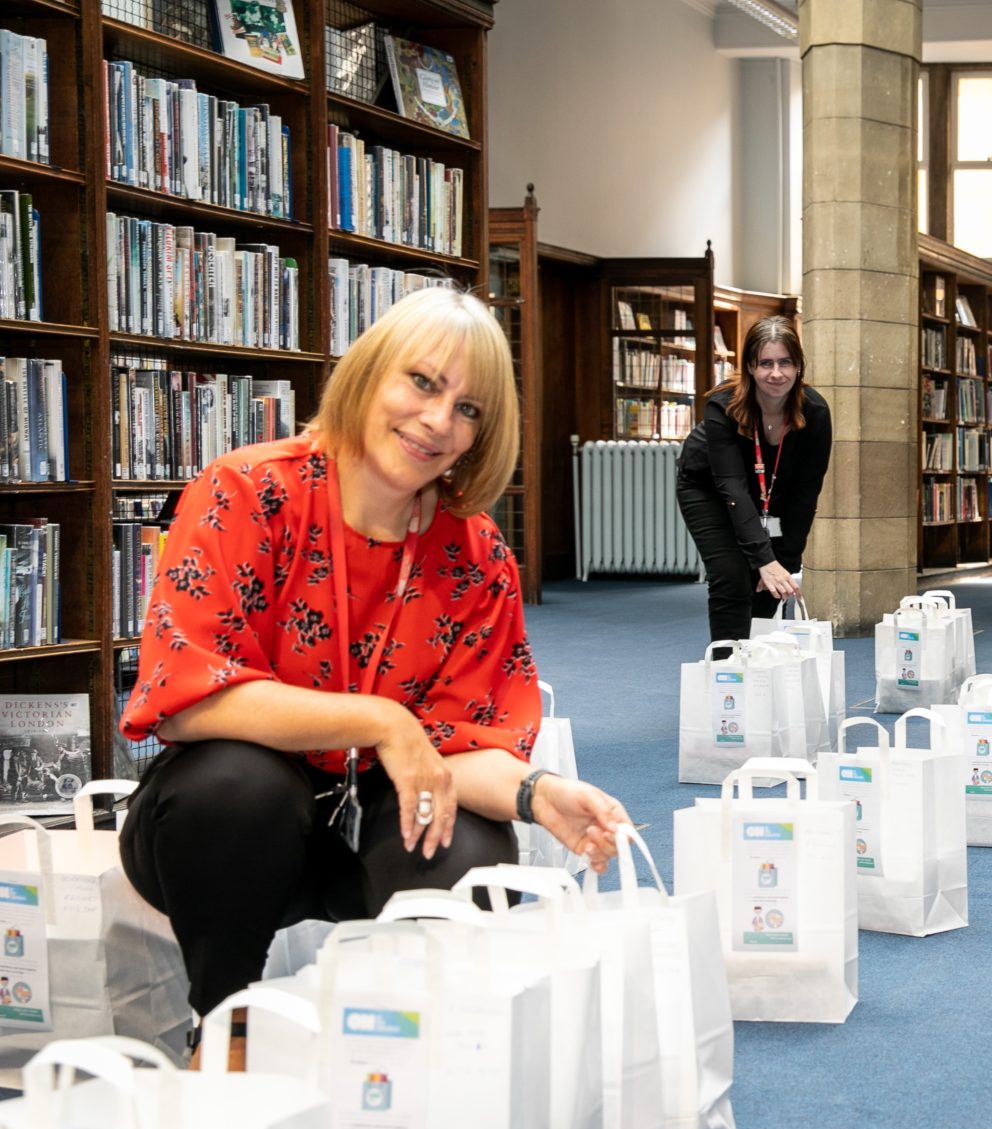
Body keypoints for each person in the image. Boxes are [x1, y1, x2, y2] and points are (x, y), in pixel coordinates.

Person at [117, 287, 632, 1026]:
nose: (438, 421)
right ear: (369, 372)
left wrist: (538, 792)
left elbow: (465, 745)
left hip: (379, 821)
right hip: (230, 825)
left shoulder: (476, 553)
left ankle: (399, 1047)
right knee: (239, 785)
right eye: (422, 382)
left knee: (472, 845)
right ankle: (226, 1026)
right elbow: (188, 698)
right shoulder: (249, 491)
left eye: (468, 409)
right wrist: (383, 722)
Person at [675, 316, 833, 650]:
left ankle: (759, 663)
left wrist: (784, 562)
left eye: (785, 362)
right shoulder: (723, 405)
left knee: (771, 582)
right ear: (750, 366)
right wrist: (763, 559)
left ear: (799, 366)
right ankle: (727, 669)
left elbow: (806, 494)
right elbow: (732, 488)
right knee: (732, 575)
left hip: (771, 492)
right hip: (708, 488)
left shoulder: (816, 412)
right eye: (765, 363)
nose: (776, 374)